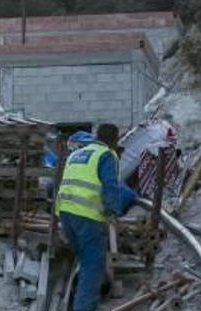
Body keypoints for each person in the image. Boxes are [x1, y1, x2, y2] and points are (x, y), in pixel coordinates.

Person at [55, 123, 137, 311]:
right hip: (86, 215)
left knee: (85, 260)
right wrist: (113, 212)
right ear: (114, 141)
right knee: (93, 264)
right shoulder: (107, 155)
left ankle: (81, 303)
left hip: (66, 213)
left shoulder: (77, 154)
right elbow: (110, 185)